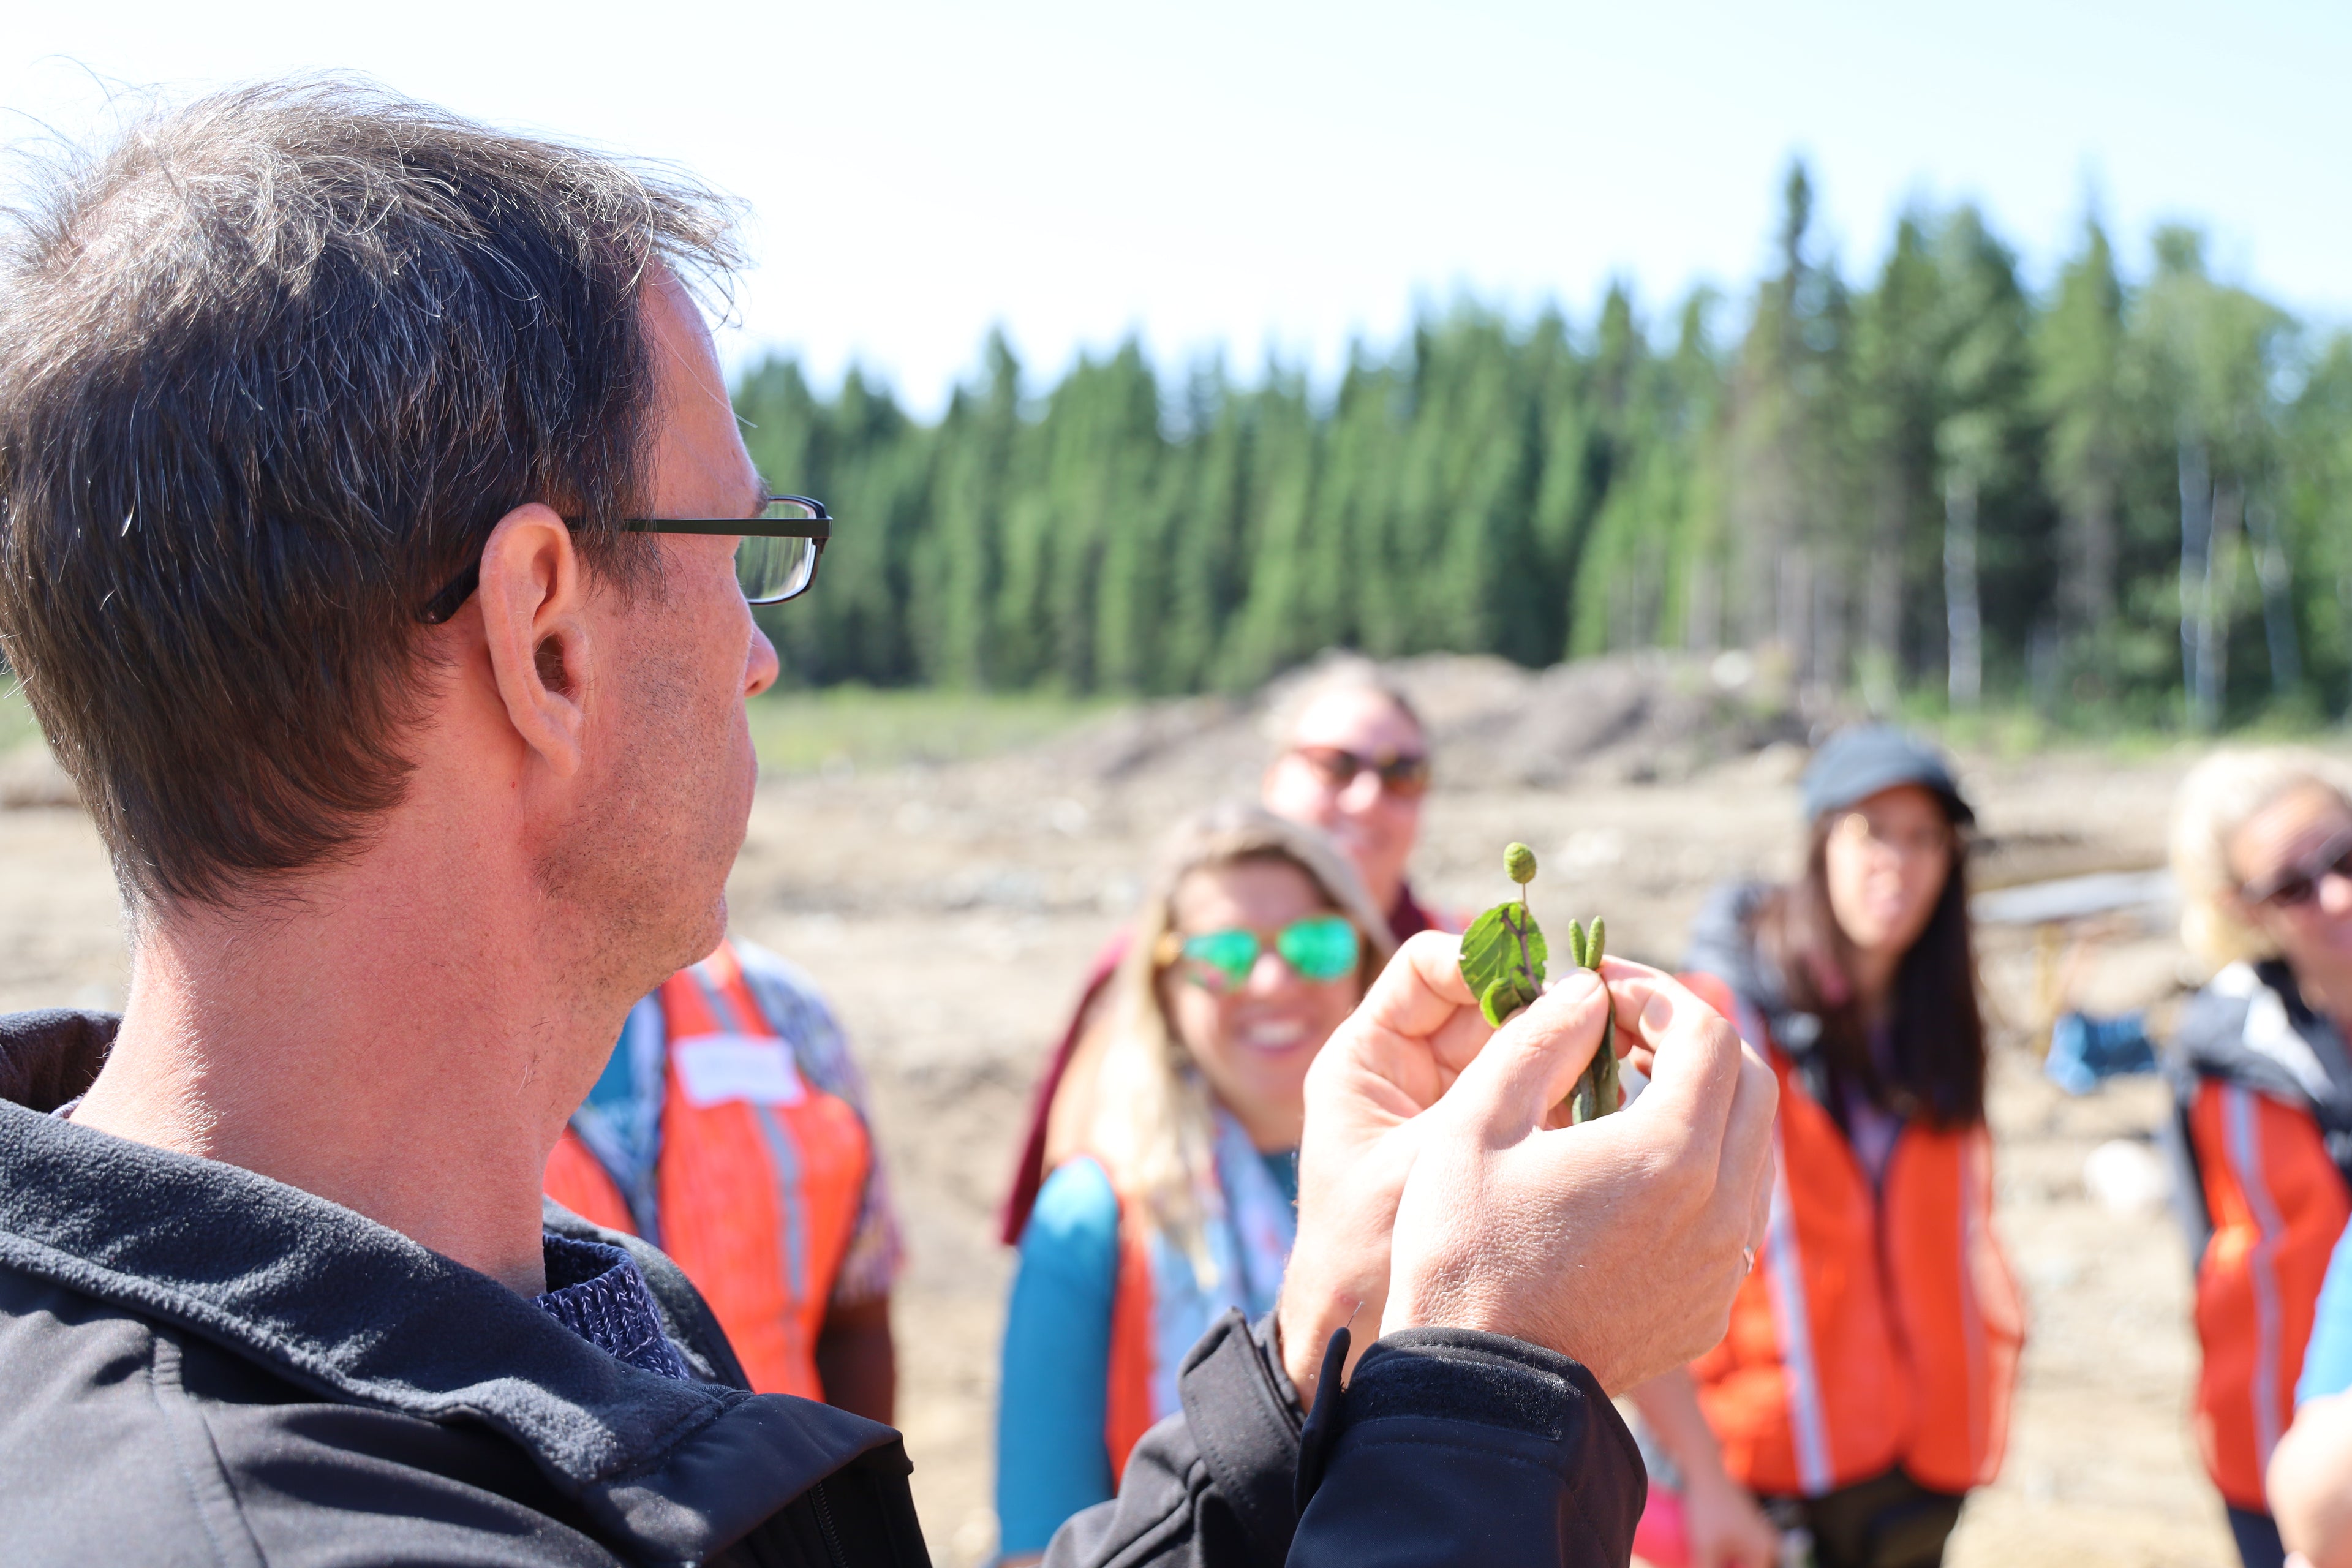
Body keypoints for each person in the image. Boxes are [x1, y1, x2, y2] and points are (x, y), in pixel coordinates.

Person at [0, 80, 1778, 1566]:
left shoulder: (477, 1329)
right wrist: (1495, 1395)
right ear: (546, 636)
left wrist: (1348, 1341)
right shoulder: (276, 1527)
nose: (762, 654)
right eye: (733, 549)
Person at [1641, 725, 2024, 1568]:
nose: (1902, 860)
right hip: (1762, 1481)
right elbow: (1622, 1272)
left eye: (1926, 837)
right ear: (1819, 844)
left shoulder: (1944, 1029)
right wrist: (1702, 1481)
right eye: (1873, 831)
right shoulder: (1711, 1027)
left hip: (1919, 1475)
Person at [996, 806, 1396, 1558]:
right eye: (1224, 956)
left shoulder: (1442, 1191)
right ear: (1165, 987)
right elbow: (1036, 1539)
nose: (1275, 981)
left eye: (1315, 944)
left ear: (1366, 963)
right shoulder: (1094, 1218)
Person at [1001, 658, 1443, 1246]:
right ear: (1274, 778)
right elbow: (1074, 1190)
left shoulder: (1450, 960)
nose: (1367, 799)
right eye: (1336, 766)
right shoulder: (1150, 965)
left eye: (1402, 775)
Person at [544, 933, 903, 1420]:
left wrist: (857, 1493)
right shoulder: (429, 1029)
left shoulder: (779, 1006)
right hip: (550, 1488)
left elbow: (856, 1320)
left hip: (784, 1478)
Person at [2165, 750, 2352, 1568]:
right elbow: (2206, 1250)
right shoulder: (2217, 1058)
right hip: (2277, 1451)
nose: (2337, 894)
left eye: (2345, 858)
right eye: (2293, 885)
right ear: (2244, 908)